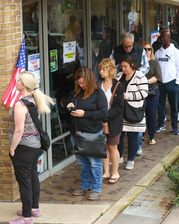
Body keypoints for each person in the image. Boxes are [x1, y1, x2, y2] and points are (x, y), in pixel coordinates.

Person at [8, 71, 54, 224]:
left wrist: (12, 149)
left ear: (24, 85)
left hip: (24, 148)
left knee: (24, 182)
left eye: (19, 80)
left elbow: (19, 131)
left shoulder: (21, 104)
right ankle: (34, 209)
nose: (16, 81)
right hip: (35, 146)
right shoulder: (33, 99)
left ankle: (26, 217)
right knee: (32, 177)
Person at [67, 66, 108, 200]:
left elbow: (103, 113)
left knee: (94, 162)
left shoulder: (98, 94)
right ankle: (85, 185)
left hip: (92, 133)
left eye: (83, 82)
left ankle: (96, 188)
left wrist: (85, 114)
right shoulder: (76, 92)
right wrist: (69, 106)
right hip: (77, 133)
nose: (81, 85)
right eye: (79, 82)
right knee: (83, 162)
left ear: (89, 81)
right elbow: (69, 102)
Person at [114, 32, 150, 157]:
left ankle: (136, 148)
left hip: (135, 99)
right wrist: (121, 70)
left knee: (135, 130)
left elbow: (146, 66)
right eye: (125, 47)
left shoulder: (140, 50)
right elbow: (112, 66)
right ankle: (120, 157)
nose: (128, 49)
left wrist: (135, 71)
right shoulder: (116, 51)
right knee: (121, 132)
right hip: (122, 105)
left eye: (130, 46)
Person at [116, 55, 148, 170]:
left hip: (133, 111)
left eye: (125, 66)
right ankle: (118, 157)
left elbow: (144, 93)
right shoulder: (119, 76)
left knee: (132, 136)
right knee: (119, 136)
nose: (123, 69)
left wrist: (126, 96)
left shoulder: (140, 76)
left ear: (132, 65)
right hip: (120, 112)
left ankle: (130, 160)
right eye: (122, 66)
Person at [98, 58, 124, 184]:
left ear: (110, 70)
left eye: (104, 69)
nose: (101, 72)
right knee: (104, 147)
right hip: (100, 121)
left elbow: (119, 107)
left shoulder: (118, 86)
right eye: (100, 69)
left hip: (113, 121)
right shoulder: (98, 85)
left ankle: (115, 172)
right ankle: (106, 172)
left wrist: (105, 117)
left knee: (113, 146)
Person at [155, 29, 179, 135]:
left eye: (163, 37)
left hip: (172, 82)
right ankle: (161, 124)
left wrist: (177, 82)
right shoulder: (157, 52)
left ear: (169, 38)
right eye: (161, 37)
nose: (161, 38)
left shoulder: (175, 52)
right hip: (160, 83)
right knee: (161, 105)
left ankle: (174, 126)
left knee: (173, 105)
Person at [141, 41, 162, 145]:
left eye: (149, 49)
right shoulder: (138, 62)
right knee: (141, 114)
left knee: (151, 114)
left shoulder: (154, 62)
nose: (147, 51)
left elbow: (158, 76)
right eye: (145, 49)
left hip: (152, 92)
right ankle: (141, 135)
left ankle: (152, 136)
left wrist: (146, 81)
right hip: (140, 92)